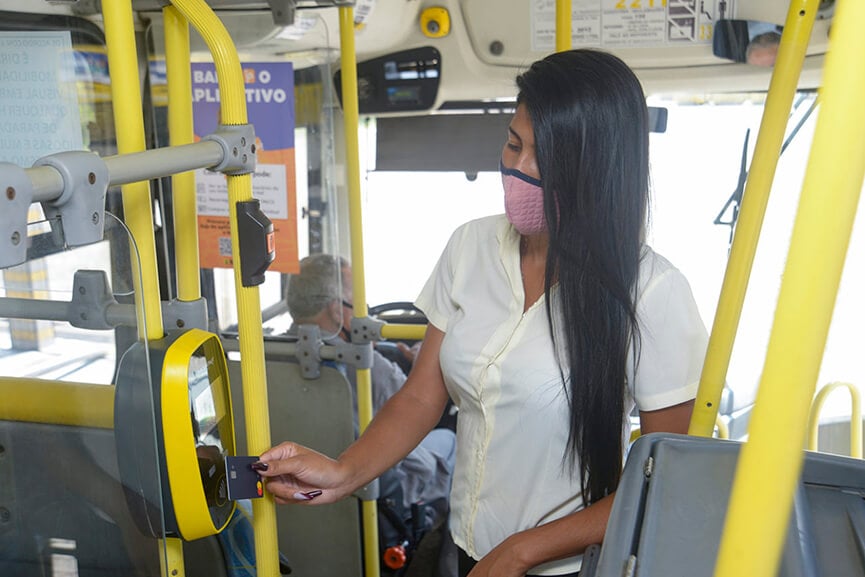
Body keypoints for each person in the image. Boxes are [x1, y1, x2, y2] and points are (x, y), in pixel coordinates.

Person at [257, 49, 709, 577]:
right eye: (514, 143)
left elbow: (663, 477)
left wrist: (522, 550)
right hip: (466, 548)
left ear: (597, 169)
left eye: (547, 157)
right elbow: (425, 395)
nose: (519, 168)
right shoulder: (469, 246)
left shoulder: (654, 292)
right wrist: (342, 472)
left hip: (565, 567)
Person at [283, 253, 457, 550]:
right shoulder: (367, 367)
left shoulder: (270, 355)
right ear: (338, 311)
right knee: (450, 440)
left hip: (303, 504)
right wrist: (420, 365)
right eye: (360, 304)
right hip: (379, 488)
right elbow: (416, 420)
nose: (365, 313)